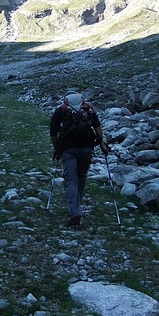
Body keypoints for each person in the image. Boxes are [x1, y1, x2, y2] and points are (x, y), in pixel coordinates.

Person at [50, 92, 109, 227]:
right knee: (81, 176)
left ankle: (75, 212)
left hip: (68, 149)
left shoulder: (61, 111)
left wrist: (57, 149)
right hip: (87, 149)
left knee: (70, 179)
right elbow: (97, 127)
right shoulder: (89, 110)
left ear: (66, 101)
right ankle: (77, 204)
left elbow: (53, 132)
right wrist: (102, 144)